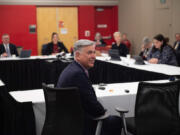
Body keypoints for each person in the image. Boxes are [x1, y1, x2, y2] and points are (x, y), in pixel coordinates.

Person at [57, 39, 122, 135]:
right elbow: (94, 107)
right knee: (116, 120)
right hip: (80, 125)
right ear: (78, 56)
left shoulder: (72, 68)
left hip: (69, 121)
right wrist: (104, 112)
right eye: (89, 53)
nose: (94, 56)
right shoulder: (77, 74)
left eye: (94, 52)